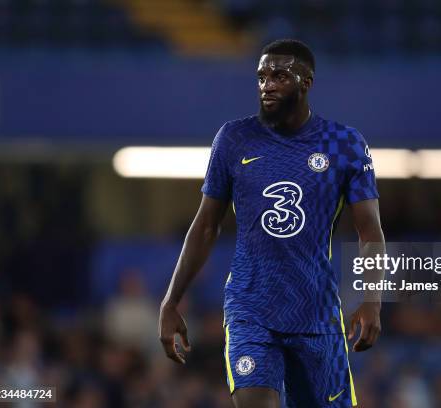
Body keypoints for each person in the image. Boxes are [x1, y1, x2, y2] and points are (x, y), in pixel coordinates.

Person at [159, 39, 385, 408]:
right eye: (262, 76)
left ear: (306, 82)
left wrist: (372, 298)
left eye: (280, 75)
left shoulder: (344, 144)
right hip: (251, 310)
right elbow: (205, 226)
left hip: (316, 313)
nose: (267, 84)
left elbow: (370, 231)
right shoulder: (233, 139)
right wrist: (172, 301)